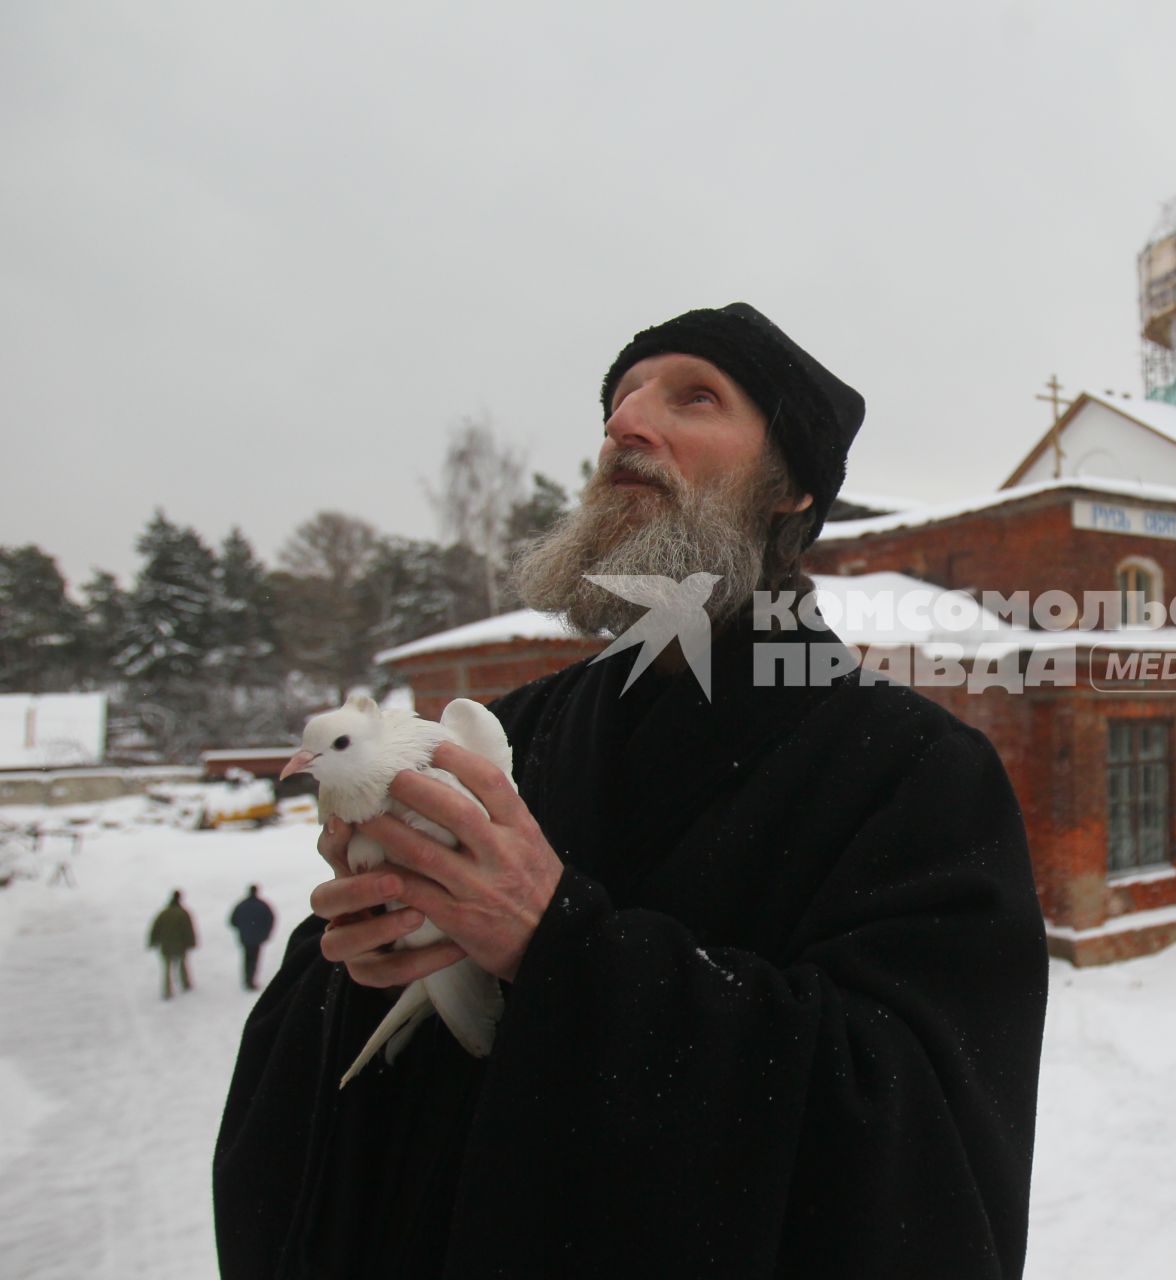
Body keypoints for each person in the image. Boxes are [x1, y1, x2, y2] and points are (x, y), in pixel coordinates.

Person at [214, 303, 1050, 1278]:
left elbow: (919, 1150)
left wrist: (555, 941)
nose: (625, 425)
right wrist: (366, 956)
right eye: (618, 402)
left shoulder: (915, 771)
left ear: (791, 490)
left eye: (693, 396)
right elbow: (314, 1111)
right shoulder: (507, 732)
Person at [148, 889, 196, 999]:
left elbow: (155, 928)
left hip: (166, 945)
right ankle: (185, 984)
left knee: (167, 968)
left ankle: (167, 991)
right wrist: (191, 942)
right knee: (183, 965)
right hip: (180, 945)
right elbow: (188, 929)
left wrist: (153, 941)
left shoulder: (163, 913)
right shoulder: (183, 913)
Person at [228, 884, 276, 991]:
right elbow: (270, 920)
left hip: (245, 938)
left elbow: (232, 921)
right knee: (254, 959)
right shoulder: (263, 905)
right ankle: (251, 980)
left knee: (247, 958)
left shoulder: (241, 905)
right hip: (257, 938)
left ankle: (247, 979)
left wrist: (243, 929)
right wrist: (265, 933)